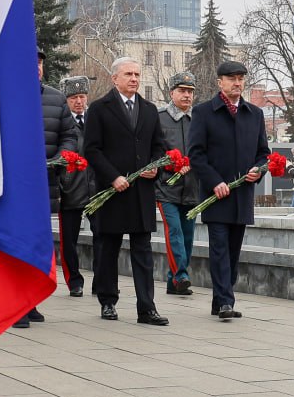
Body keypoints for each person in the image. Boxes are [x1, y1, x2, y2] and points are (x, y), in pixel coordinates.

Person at [83, 57, 169, 325]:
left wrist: (156, 167)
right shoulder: (99, 109)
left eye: (137, 74)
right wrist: (113, 177)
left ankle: (147, 307)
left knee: (142, 251)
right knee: (109, 248)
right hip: (114, 192)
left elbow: (160, 146)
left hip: (141, 192)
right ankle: (108, 301)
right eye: (128, 74)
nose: (134, 78)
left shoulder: (149, 109)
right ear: (115, 78)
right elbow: (92, 150)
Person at [187, 61, 269, 320]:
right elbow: (196, 154)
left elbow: (263, 153)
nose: (237, 83)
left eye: (241, 78)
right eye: (231, 78)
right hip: (216, 196)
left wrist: (259, 169)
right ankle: (225, 301)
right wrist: (215, 181)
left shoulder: (254, 114)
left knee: (233, 252)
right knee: (220, 249)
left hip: (242, 195)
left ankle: (220, 298)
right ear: (219, 82)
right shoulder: (203, 112)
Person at [15, 51, 78, 328]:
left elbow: (70, 135)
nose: (36, 66)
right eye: (31, 61)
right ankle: (16, 304)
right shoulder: (5, 95)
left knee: (38, 245)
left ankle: (31, 300)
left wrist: (60, 158)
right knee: (16, 244)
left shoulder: (55, 98)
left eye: (40, 62)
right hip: (14, 184)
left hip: (45, 183)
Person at [155, 71, 198, 296]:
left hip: (192, 187)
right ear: (172, 92)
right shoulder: (159, 117)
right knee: (174, 232)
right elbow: (153, 150)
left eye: (190, 91)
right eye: (182, 90)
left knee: (188, 234)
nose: (187, 95)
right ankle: (181, 274)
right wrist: (169, 165)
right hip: (166, 187)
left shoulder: (198, 118)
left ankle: (174, 282)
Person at [57, 76, 90, 297]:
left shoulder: (94, 120)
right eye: (73, 97)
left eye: (82, 96)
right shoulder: (62, 122)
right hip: (70, 189)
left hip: (96, 189)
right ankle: (74, 281)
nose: (78, 101)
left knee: (105, 236)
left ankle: (103, 281)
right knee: (69, 240)